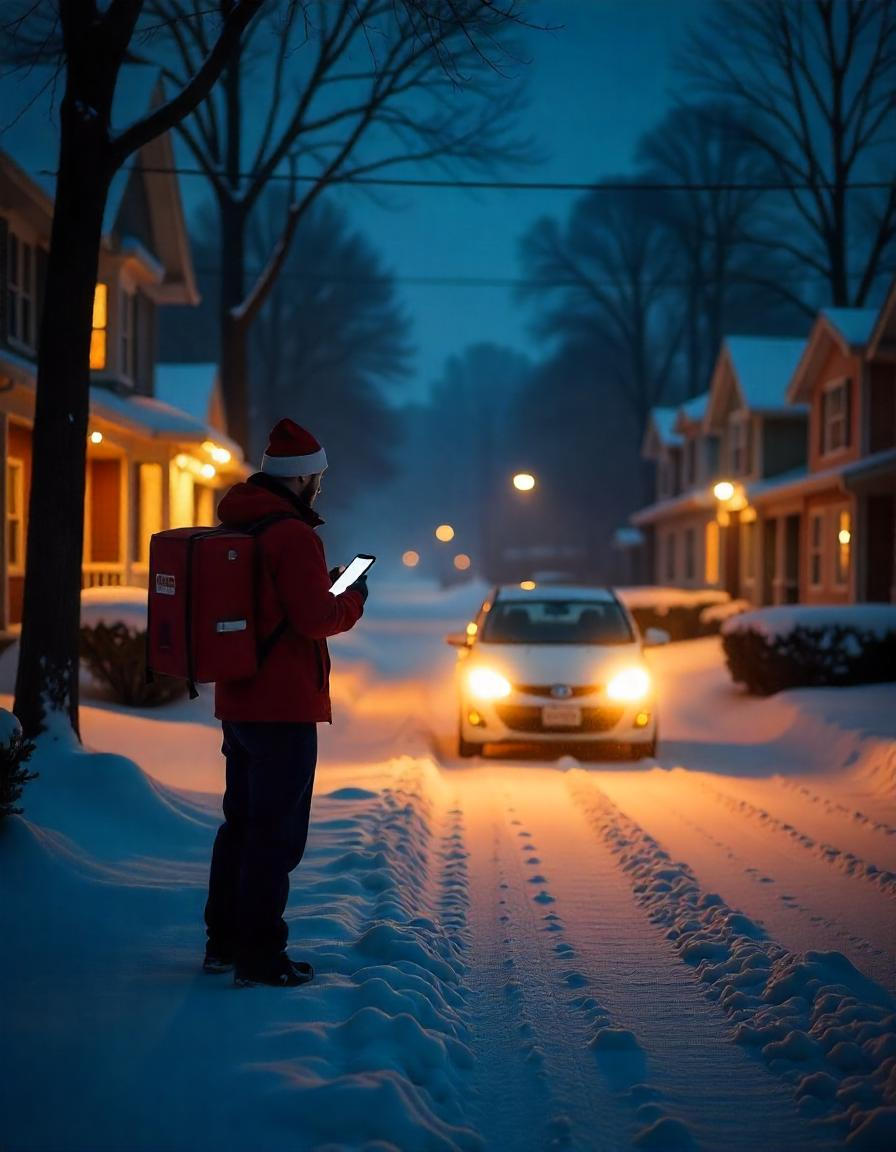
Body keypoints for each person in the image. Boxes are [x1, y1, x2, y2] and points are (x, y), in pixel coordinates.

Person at [202, 418, 368, 987]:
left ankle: (222, 944)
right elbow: (316, 617)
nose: (319, 487)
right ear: (302, 480)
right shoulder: (294, 536)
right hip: (284, 709)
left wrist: (325, 586)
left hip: (240, 702)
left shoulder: (243, 524)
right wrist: (353, 597)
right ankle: (260, 957)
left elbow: (278, 604)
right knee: (275, 835)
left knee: (241, 827)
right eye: (317, 478)